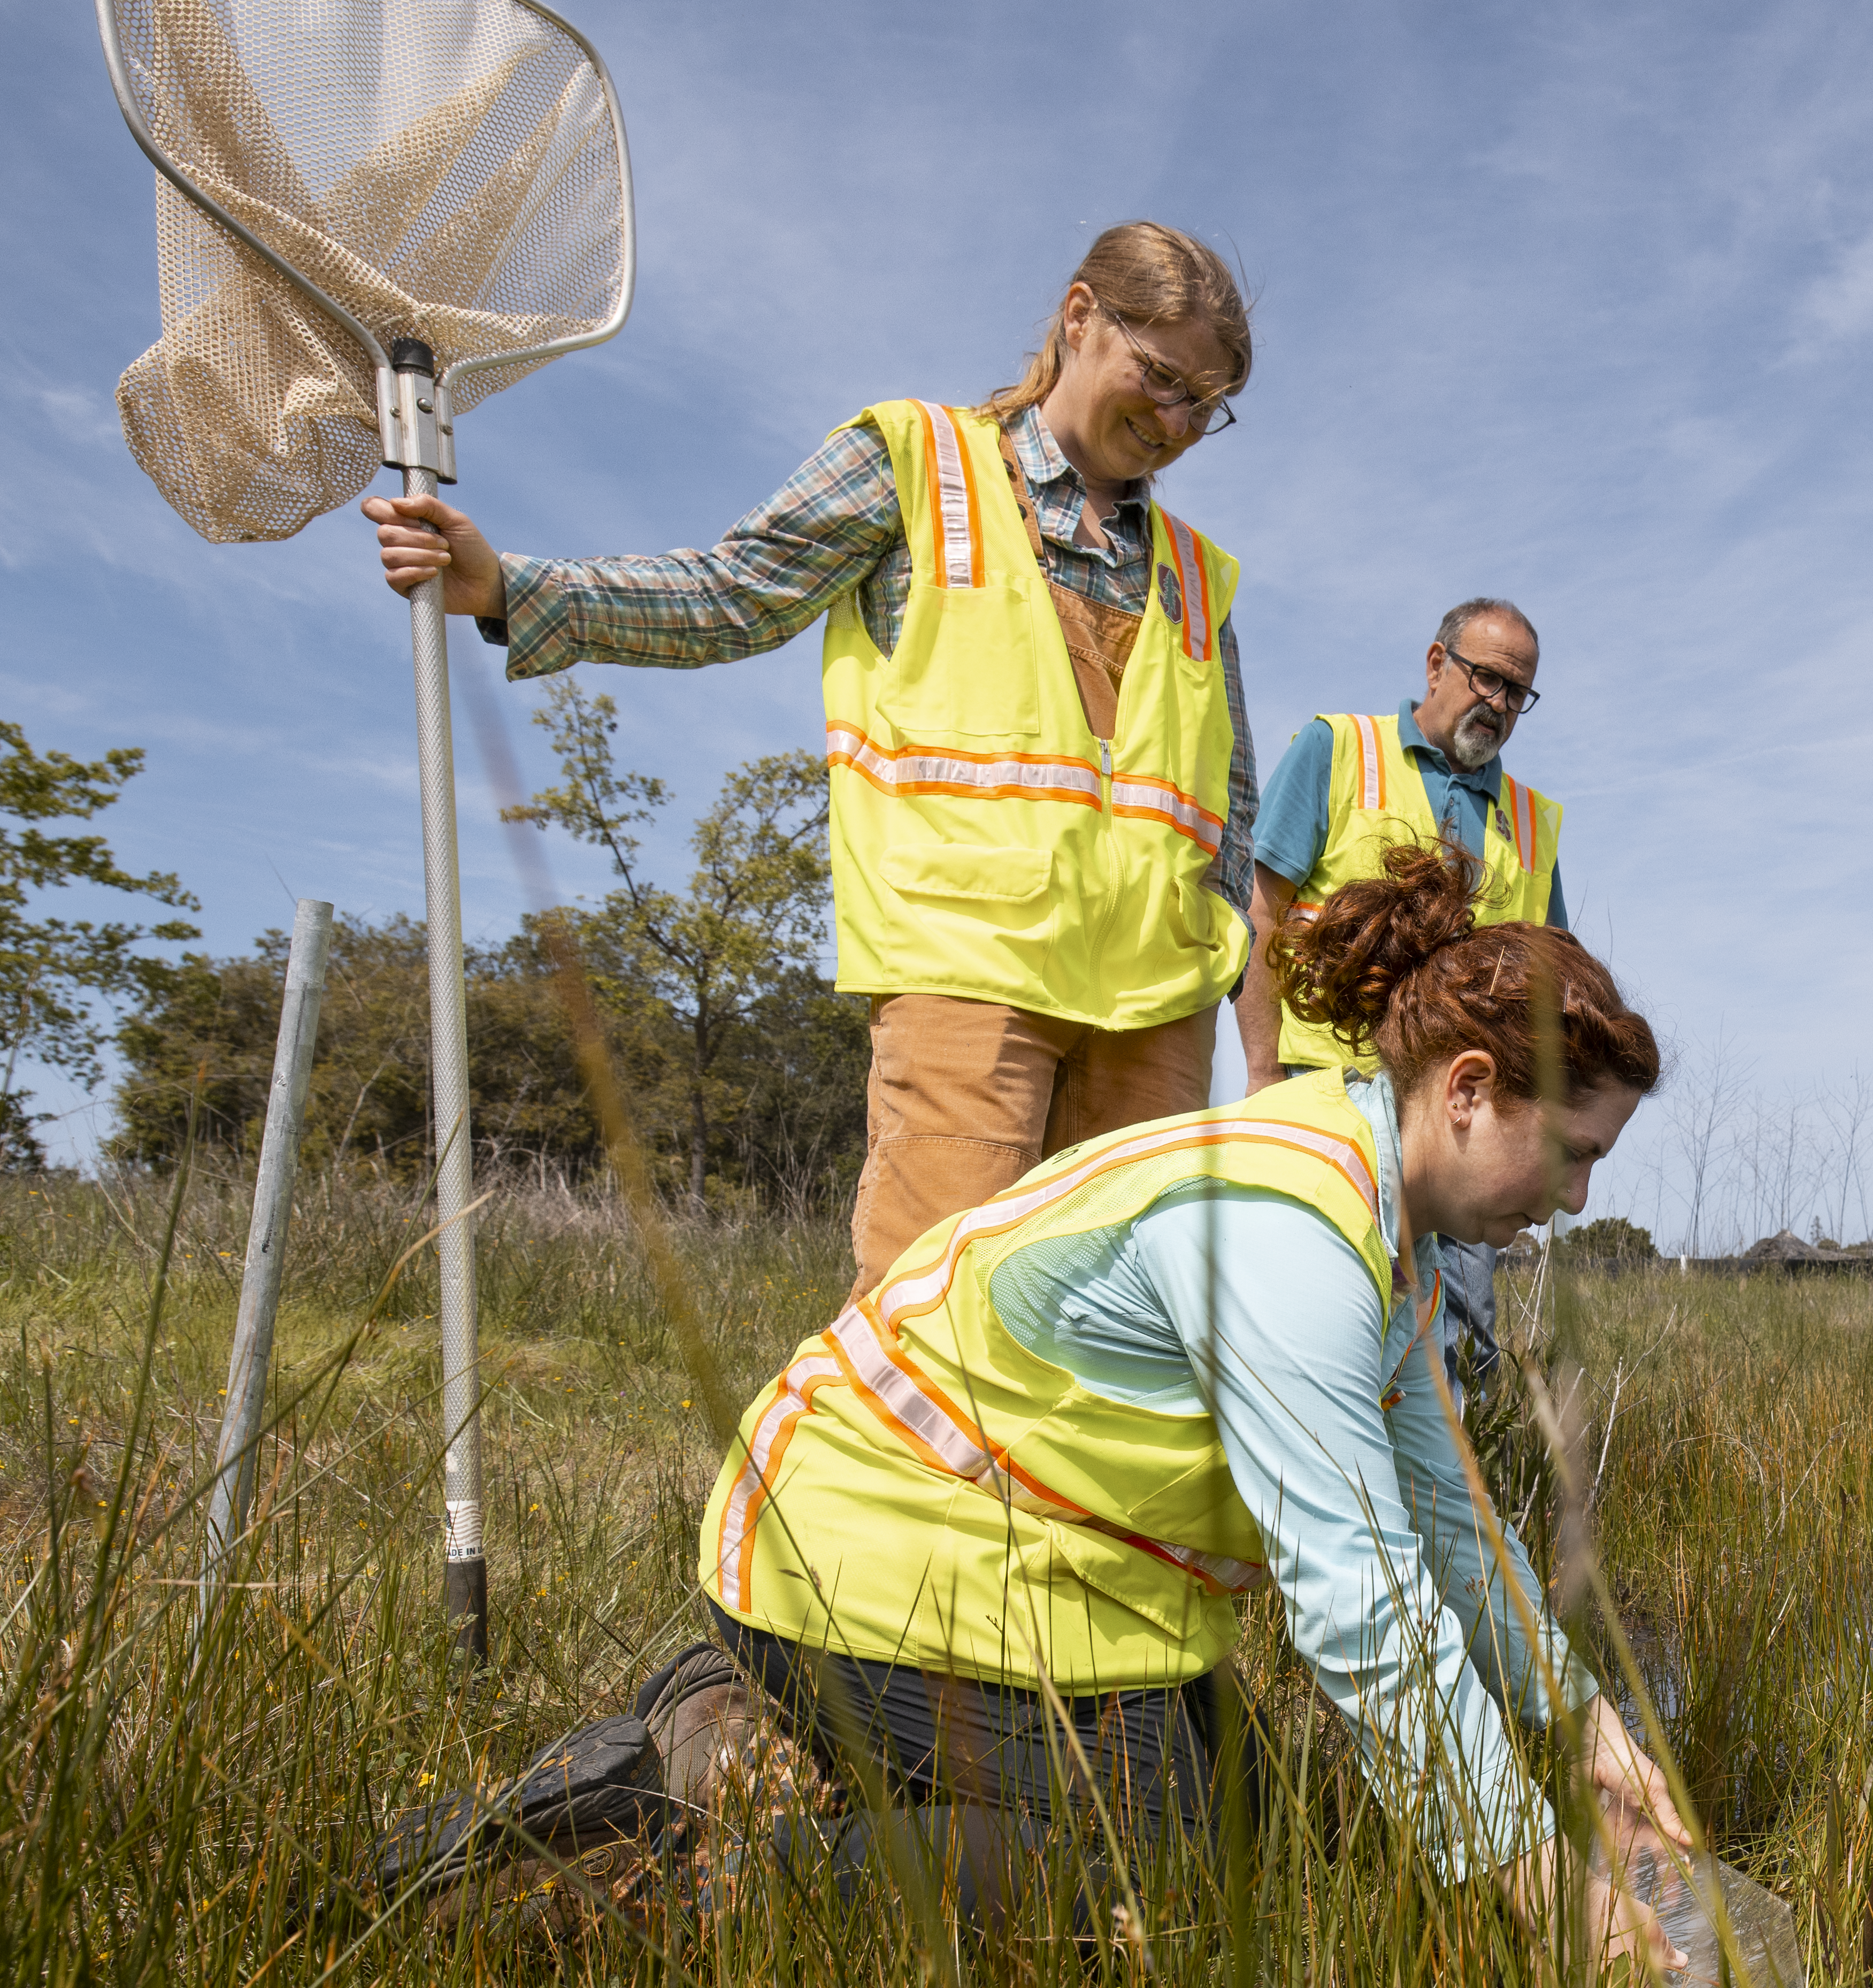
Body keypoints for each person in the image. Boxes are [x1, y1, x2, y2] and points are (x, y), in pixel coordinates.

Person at [656, 844, 1689, 1957]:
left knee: (1251, 1824)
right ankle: (702, 1879)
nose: (1578, 1200)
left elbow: (1445, 1524)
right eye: (1574, 1154)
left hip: (1024, 1579)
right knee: (1163, 1881)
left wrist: (1580, 1718)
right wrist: (1557, 1901)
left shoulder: (1383, 1237)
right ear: (1472, 1090)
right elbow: (1360, 1604)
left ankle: (775, 1743)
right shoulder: (1288, 1233)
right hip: (850, 1570)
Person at [366, 221, 1262, 1298]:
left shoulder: (1199, 577)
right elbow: (730, 594)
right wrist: (513, 591)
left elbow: (1228, 800)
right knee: (935, 1316)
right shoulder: (916, 463)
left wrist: (1216, 956)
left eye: (1203, 405)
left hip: (1155, 1010)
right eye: (1158, 377)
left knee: (1121, 1332)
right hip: (971, 972)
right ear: (1080, 318)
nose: (1174, 422)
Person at [1235, 598, 1568, 1375]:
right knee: (1320, 1318)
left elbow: (1549, 990)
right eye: (1486, 677)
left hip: (1464, 1125)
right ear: (1435, 664)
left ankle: (1443, 1492)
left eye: (1517, 692)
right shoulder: (1336, 750)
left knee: (1455, 1344)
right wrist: (1259, 1074)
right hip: (1328, 1097)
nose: (1499, 703)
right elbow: (1261, 916)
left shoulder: (1532, 821)